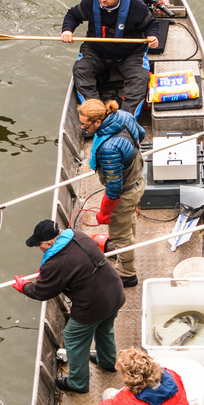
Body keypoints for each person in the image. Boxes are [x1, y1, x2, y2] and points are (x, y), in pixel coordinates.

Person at [13, 219, 125, 394]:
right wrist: (47, 271)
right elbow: (74, 265)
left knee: (73, 338)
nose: (39, 249)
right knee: (105, 328)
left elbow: (42, 292)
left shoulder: (55, 263)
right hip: (114, 291)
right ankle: (107, 361)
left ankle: (78, 383)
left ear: (49, 243)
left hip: (93, 305)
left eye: (39, 245)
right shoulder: (78, 236)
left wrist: (24, 287)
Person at [61, 0, 163, 116]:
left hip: (129, 54)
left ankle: (125, 118)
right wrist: (67, 30)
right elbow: (73, 15)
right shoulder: (90, 2)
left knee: (140, 78)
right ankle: (96, 113)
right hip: (97, 51)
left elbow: (152, 24)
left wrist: (153, 37)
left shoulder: (136, 5)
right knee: (81, 70)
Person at [78, 98, 145, 288]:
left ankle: (127, 274)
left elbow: (114, 190)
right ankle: (126, 241)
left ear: (98, 122)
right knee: (127, 220)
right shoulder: (122, 115)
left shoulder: (109, 149)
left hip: (125, 191)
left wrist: (104, 213)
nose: (82, 127)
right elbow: (142, 133)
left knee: (120, 234)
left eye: (85, 124)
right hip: (138, 179)